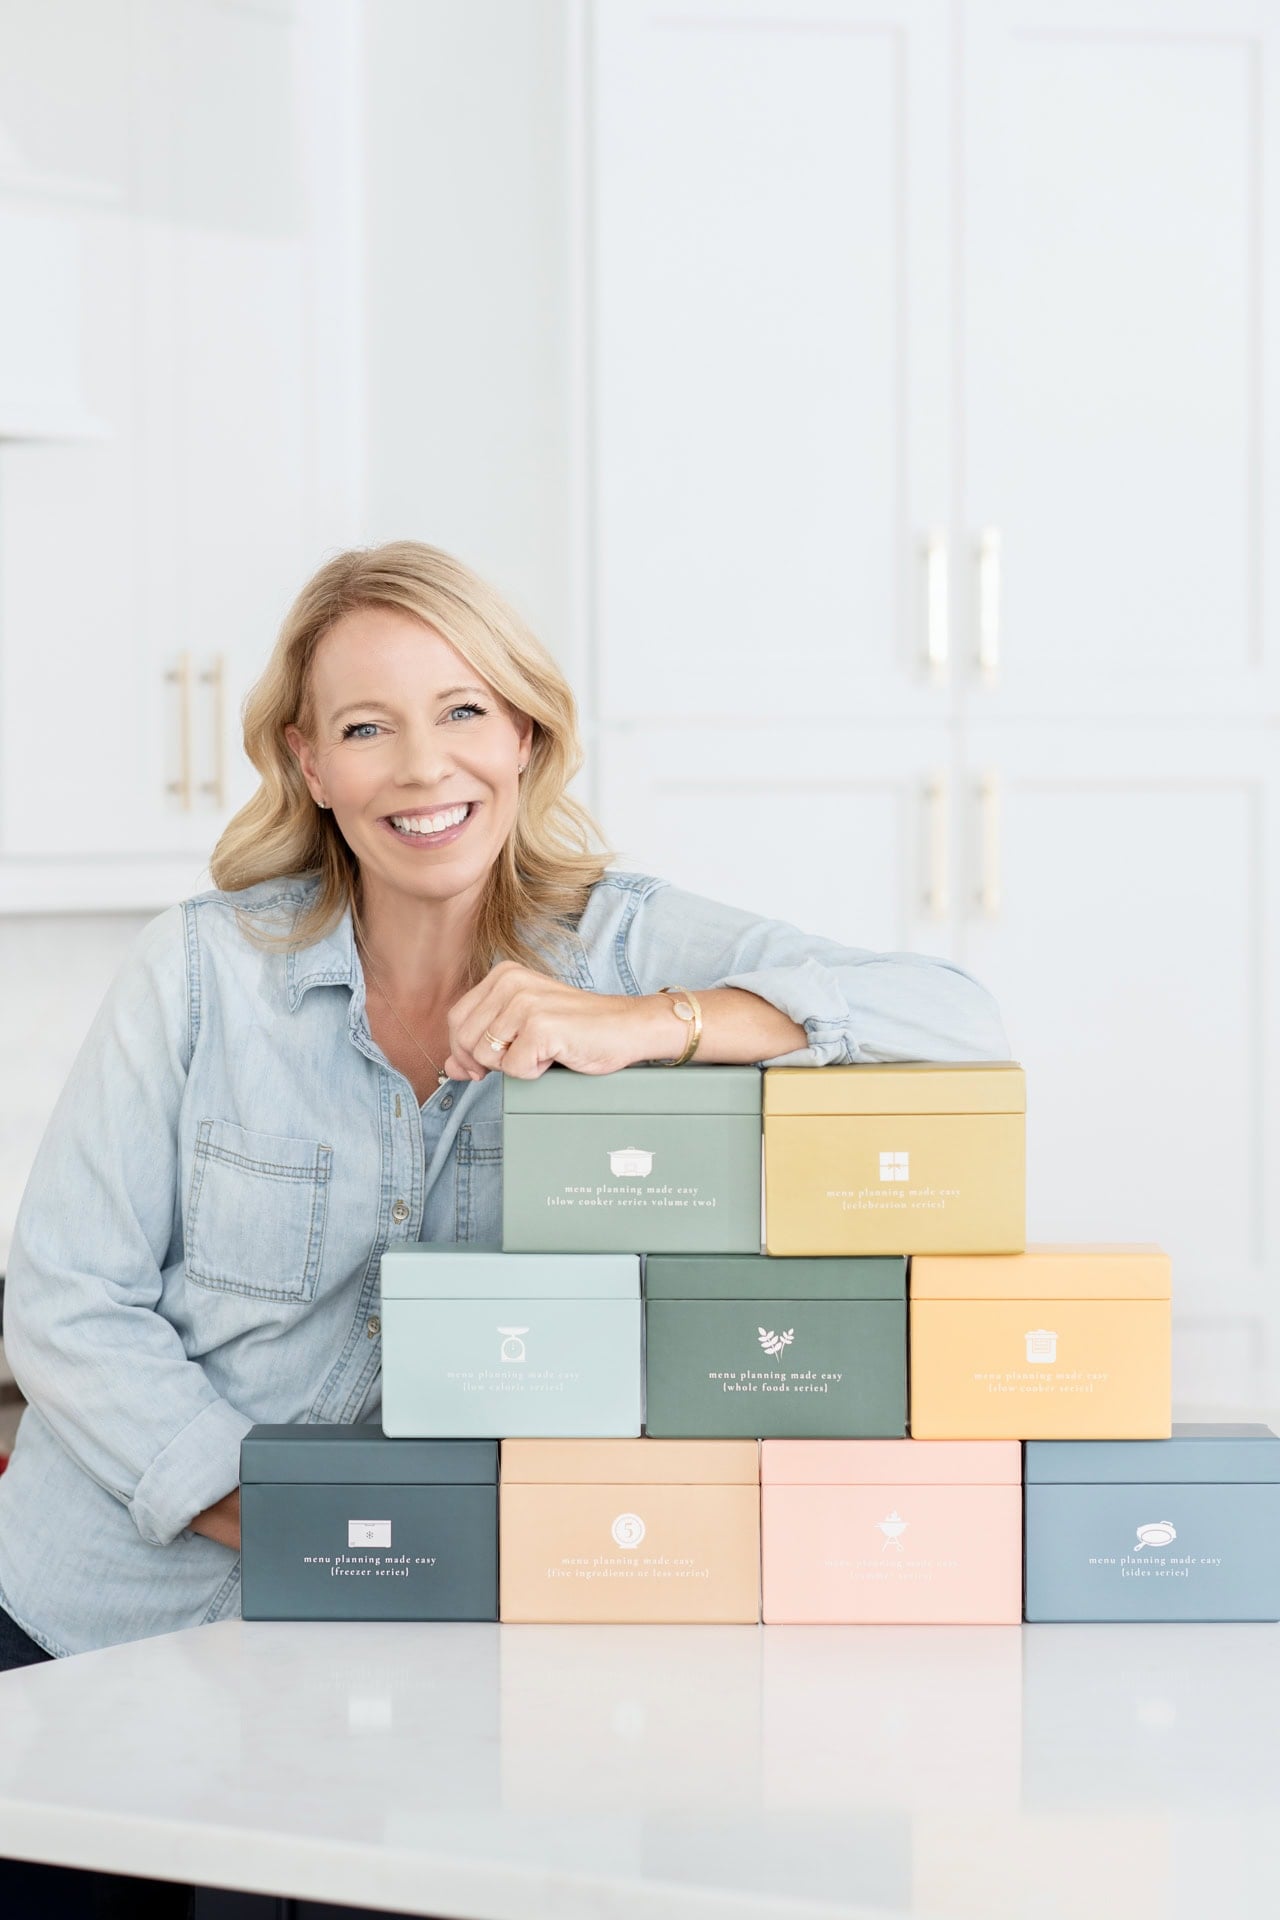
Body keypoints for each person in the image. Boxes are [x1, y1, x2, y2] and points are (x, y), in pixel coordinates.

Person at [0, 540, 1011, 1669]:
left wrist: (649, 1023)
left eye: (463, 711)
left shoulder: (623, 947)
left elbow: (952, 1016)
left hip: (435, 1623)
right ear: (312, 764)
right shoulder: (197, 970)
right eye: (366, 727)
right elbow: (67, 1297)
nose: (425, 768)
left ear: (523, 735)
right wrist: (273, 1514)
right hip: (104, 1612)